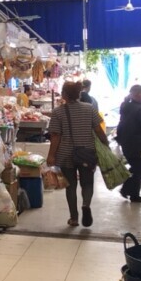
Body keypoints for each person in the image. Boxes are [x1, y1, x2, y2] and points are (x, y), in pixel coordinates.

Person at [47, 81, 110, 227]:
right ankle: (86, 205)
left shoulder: (58, 112)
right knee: (87, 183)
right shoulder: (89, 108)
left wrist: (51, 155)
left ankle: (74, 218)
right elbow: (99, 130)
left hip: (66, 154)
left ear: (64, 94)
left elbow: (55, 136)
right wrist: (106, 144)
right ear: (78, 94)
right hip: (87, 153)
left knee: (70, 186)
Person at [117, 84, 141, 203]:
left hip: (126, 142)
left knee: (135, 167)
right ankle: (127, 190)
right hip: (138, 143)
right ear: (138, 95)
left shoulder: (125, 107)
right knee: (138, 169)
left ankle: (133, 193)